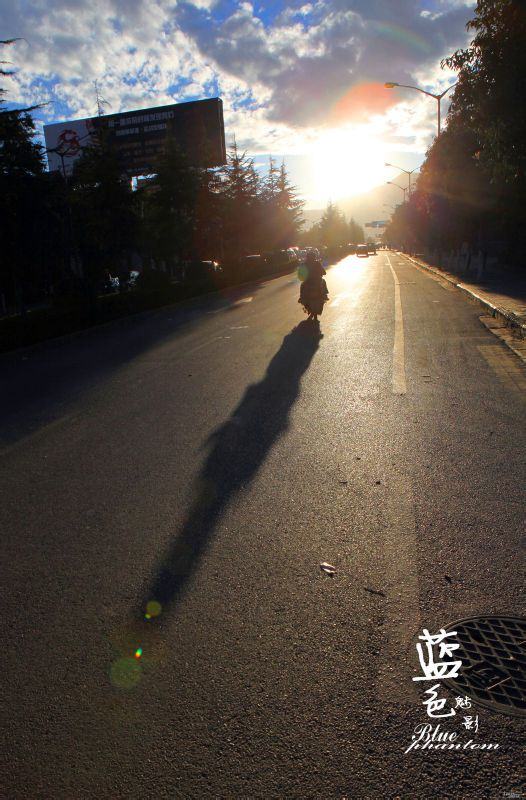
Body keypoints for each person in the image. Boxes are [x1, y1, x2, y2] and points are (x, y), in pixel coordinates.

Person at [298, 252, 329, 321]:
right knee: (323, 282)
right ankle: (324, 295)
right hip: (317, 281)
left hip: (308, 282)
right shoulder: (317, 263)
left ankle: (301, 298)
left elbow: (300, 276)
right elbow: (324, 272)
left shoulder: (304, 264)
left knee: (302, 287)